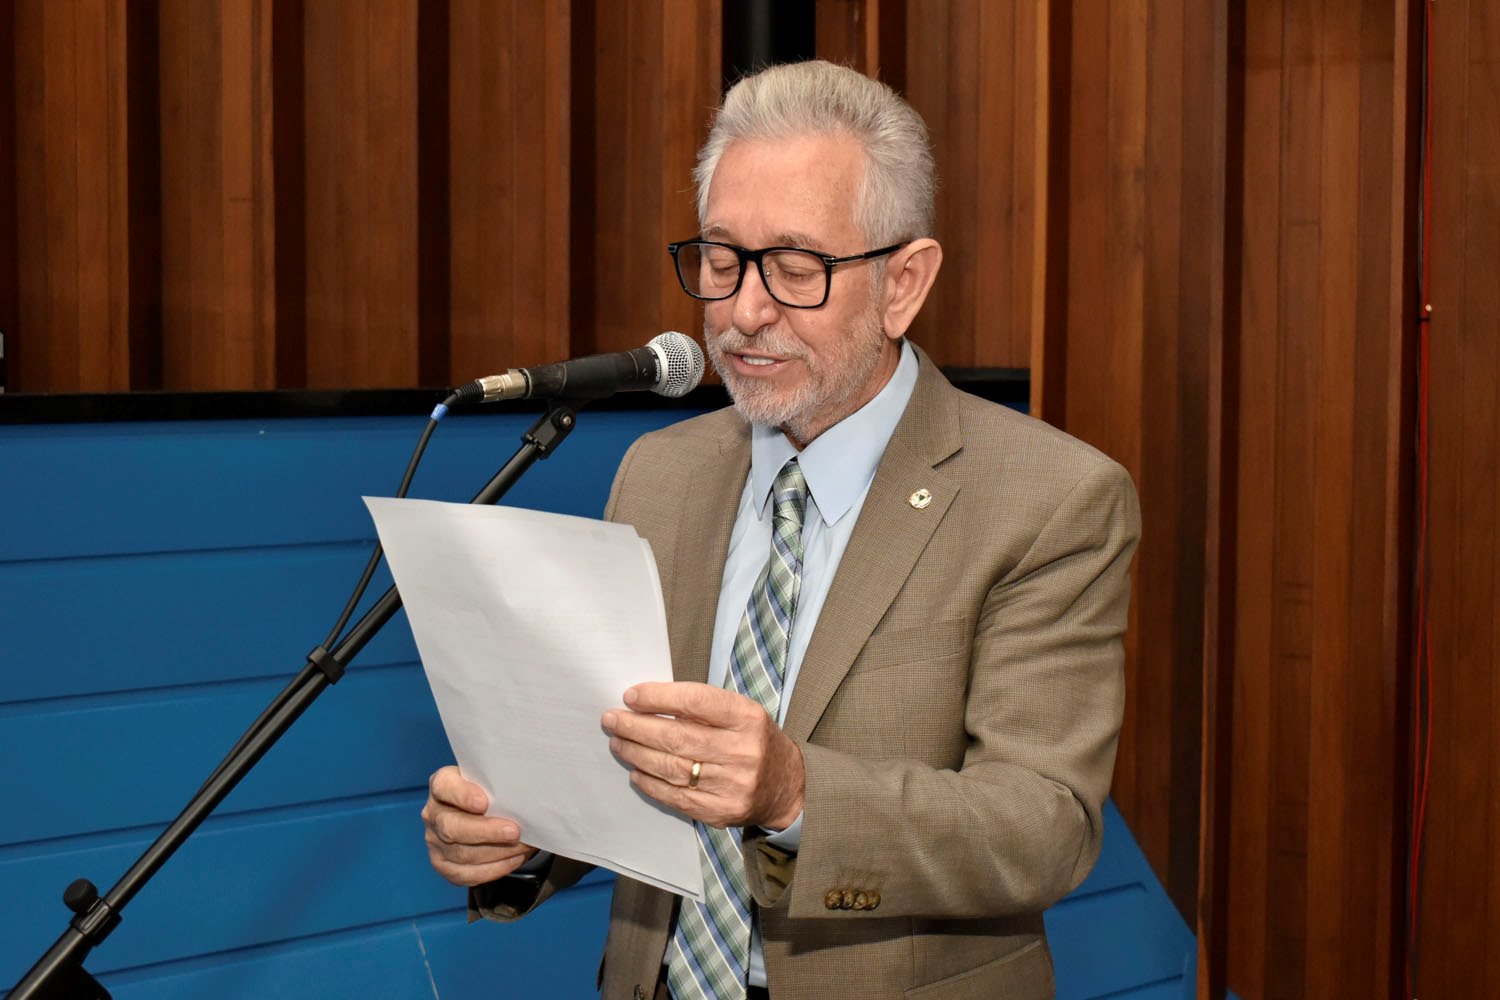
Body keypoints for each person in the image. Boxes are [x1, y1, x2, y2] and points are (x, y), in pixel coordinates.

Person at [421, 59, 1139, 1000]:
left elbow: (1044, 827)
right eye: (722, 262)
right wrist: (518, 837)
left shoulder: (1050, 499)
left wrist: (795, 795)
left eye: (797, 270)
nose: (745, 312)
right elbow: (628, 766)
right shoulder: (661, 474)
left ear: (904, 283)